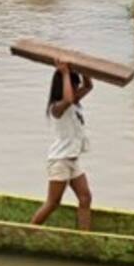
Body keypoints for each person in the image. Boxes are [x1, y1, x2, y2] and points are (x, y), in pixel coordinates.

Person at [30, 60, 95, 231]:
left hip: (73, 160)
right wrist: (65, 73)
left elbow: (88, 86)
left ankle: (84, 238)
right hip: (60, 161)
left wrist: (84, 69)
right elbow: (67, 98)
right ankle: (29, 231)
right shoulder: (57, 108)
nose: (76, 89)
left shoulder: (74, 103)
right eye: (73, 85)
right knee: (53, 203)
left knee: (85, 198)